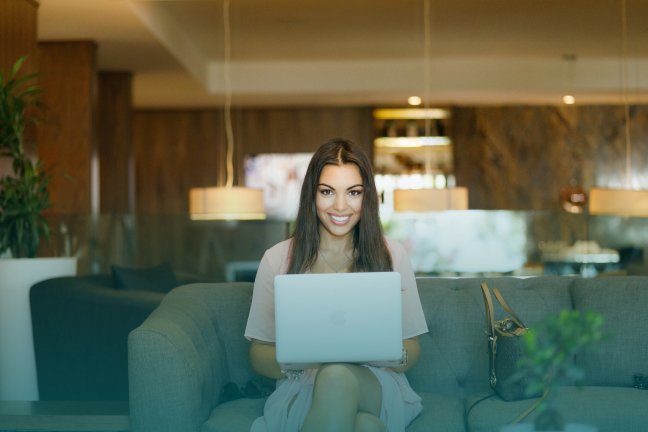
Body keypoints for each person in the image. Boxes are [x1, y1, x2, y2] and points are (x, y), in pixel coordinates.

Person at [244, 138, 428, 432]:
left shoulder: (392, 254)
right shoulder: (277, 259)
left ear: (366, 196)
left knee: (337, 376)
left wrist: (392, 353)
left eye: (353, 192)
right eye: (327, 192)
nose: (340, 206)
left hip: (375, 384)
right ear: (311, 195)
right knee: (366, 427)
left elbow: (413, 348)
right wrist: (301, 360)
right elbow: (258, 353)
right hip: (304, 385)